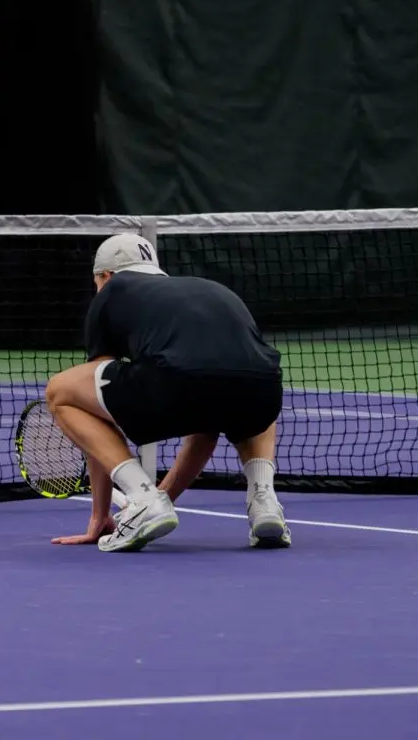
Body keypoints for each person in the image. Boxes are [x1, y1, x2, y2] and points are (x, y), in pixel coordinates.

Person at [44, 233, 290, 552]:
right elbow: (207, 429)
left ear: (105, 276)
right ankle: (264, 502)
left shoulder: (112, 292)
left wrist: (102, 513)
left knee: (60, 391)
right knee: (245, 389)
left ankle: (143, 499)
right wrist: (164, 499)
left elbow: (94, 407)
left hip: (176, 383)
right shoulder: (210, 289)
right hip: (265, 391)